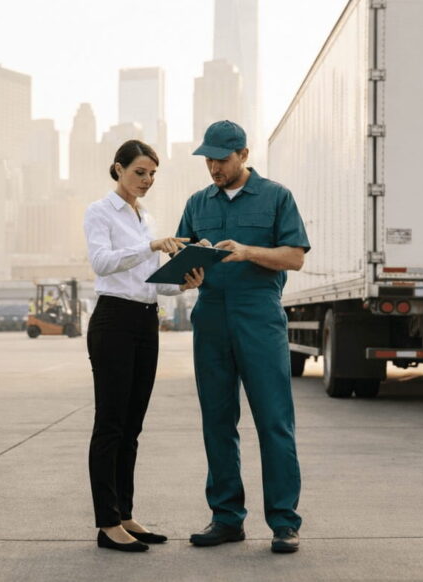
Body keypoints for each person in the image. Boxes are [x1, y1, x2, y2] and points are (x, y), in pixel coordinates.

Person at [177, 120, 310, 554]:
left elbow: (294, 257)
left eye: (222, 158)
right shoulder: (197, 203)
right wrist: (186, 276)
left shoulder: (276, 197)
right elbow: (181, 260)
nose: (214, 167)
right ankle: (226, 518)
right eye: (209, 159)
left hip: (260, 320)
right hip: (211, 320)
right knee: (217, 421)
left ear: (244, 155)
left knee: (274, 422)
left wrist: (248, 251)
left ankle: (284, 523)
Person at [83, 139, 204, 553]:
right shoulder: (100, 212)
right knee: (110, 424)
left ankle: (126, 513)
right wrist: (150, 246)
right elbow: (102, 262)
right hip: (112, 321)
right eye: (140, 172)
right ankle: (106, 523)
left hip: (144, 322)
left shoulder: (146, 218)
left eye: (153, 174)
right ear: (118, 169)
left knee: (132, 425)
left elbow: (155, 283)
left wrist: (185, 281)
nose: (147, 180)